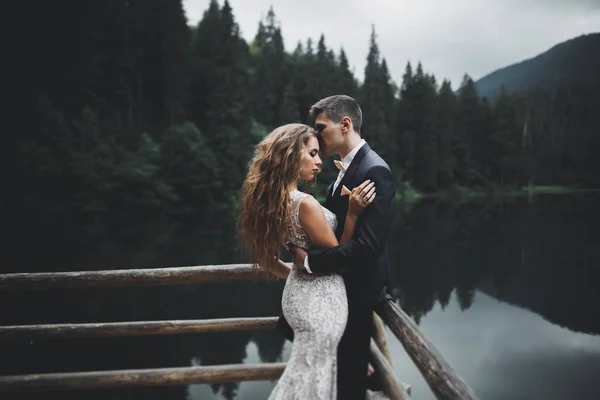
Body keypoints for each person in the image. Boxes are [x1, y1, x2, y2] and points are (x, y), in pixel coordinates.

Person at [238, 122, 376, 399]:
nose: (319, 163)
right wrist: (351, 215)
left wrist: (295, 273)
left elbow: (266, 259)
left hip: (296, 298)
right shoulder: (305, 204)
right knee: (314, 375)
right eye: (312, 154)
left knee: (307, 372)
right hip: (322, 302)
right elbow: (339, 257)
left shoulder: (272, 201)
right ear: (290, 155)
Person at [283, 95, 397, 399]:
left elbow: (366, 249)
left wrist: (308, 263)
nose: (317, 136)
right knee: (337, 378)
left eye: (321, 128)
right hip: (335, 295)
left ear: (345, 124)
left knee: (348, 383)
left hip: (357, 294)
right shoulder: (346, 168)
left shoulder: (375, 171)